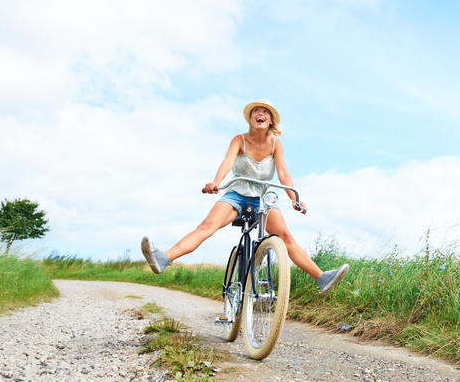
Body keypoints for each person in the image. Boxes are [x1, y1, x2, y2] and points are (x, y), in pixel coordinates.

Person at [141, 99, 349, 293]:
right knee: (206, 226)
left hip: (263, 197)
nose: (260, 113)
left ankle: (321, 278)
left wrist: (294, 197)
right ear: (251, 119)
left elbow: (283, 173)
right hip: (236, 194)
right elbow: (228, 162)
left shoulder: (276, 144)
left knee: (286, 237)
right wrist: (216, 182)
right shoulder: (239, 139)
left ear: (271, 121)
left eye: (265, 112)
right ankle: (163, 258)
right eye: (256, 111)